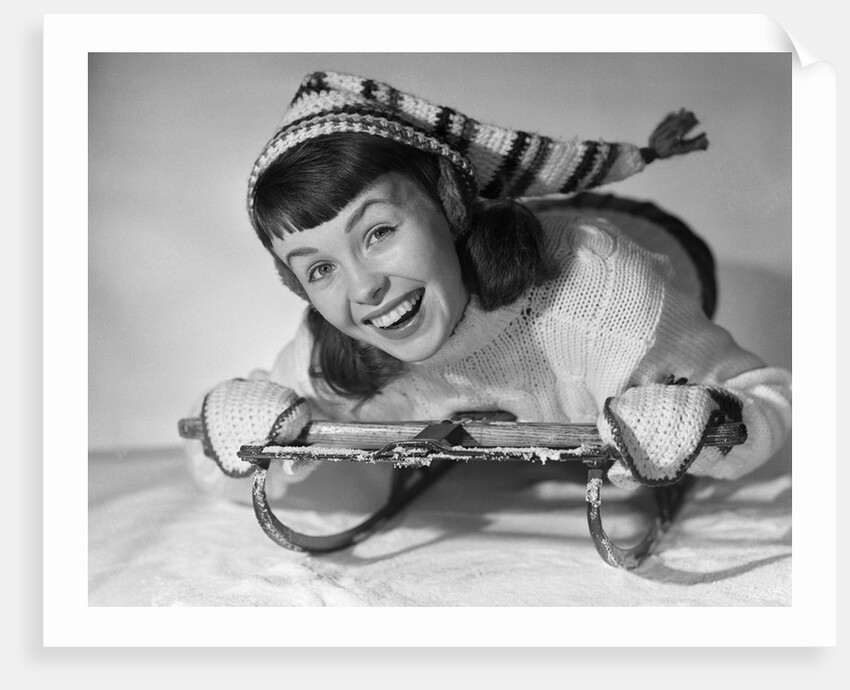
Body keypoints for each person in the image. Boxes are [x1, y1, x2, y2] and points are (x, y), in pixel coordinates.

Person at [187, 70, 791, 501]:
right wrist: (245, 430)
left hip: (643, 245)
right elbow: (209, 461)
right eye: (318, 268)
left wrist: (701, 422)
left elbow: (768, 401)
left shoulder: (594, 293)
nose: (364, 288)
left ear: (449, 204)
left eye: (377, 232)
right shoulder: (339, 345)